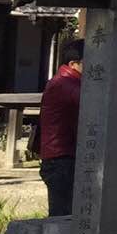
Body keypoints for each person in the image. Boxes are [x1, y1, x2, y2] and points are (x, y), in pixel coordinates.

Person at [36, 40, 83, 217]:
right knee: (62, 217)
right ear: (73, 64)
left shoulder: (65, 81)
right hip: (61, 157)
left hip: (61, 155)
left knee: (66, 214)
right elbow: (91, 101)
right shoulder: (64, 83)